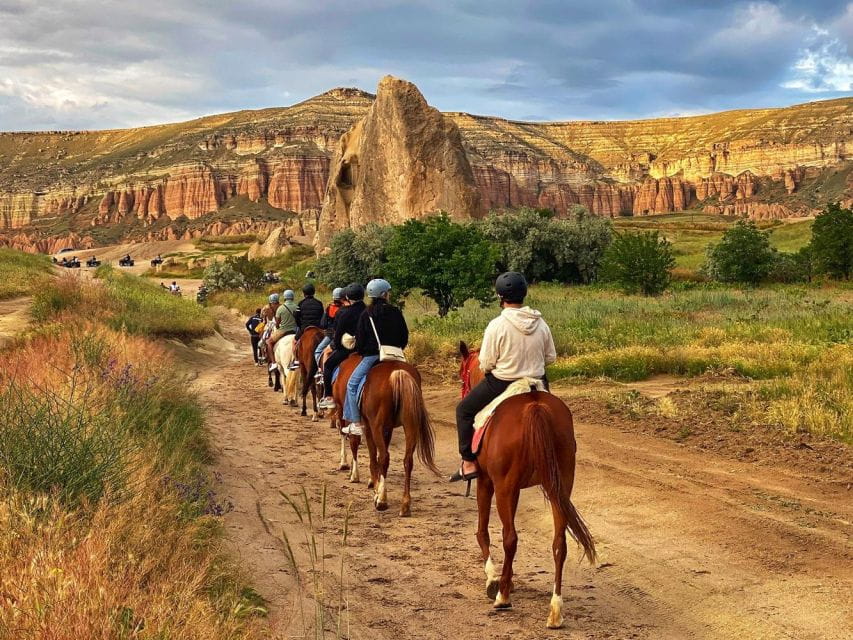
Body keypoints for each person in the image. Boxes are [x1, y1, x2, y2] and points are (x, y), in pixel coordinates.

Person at [450, 272, 556, 482]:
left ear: (500, 297)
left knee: (463, 410)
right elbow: (550, 357)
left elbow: (486, 363)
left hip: (502, 382)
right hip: (536, 383)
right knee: (554, 415)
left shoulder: (497, 325)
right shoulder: (541, 323)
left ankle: (468, 462)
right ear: (524, 294)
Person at [340, 279, 408, 437]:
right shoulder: (396, 311)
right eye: (388, 292)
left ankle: (356, 423)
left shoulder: (367, 314)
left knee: (352, 385)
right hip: (395, 355)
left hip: (372, 356)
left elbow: (361, 341)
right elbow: (404, 336)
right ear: (384, 294)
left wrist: (363, 351)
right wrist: (397, 348)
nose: (389, 294)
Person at [317, 283, 365, 410]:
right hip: (366, 350)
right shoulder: (368, 310)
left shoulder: (344, 313)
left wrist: (336, 346)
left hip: (347, 349)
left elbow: (337, 336)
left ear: (348, 297)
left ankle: (329, 397)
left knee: (328, 365)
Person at [267, 289, 297, 371]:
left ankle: (273, 363)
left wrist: (278, 326)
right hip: (296, 330)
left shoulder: (281, 308)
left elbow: (277, 324)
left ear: (284, 298)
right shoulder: (297, 307)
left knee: (268, 342)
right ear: (293, 297)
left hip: (284, 330)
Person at [314, 287, 344, 366]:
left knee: (318, 351)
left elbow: (323, 324)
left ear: (333, 297)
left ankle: (320, 369)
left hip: (330, 335)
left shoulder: (329, 307)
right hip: (344, 336)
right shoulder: (345, 308)